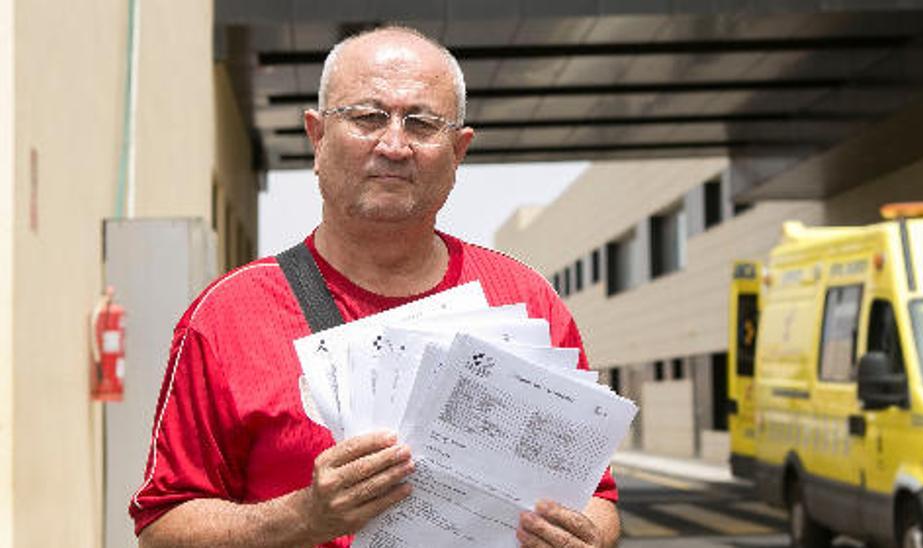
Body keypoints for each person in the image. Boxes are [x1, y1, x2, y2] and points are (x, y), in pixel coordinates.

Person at [131, 26, 620, 548]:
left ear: (459, 150)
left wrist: (585, 538)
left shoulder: (526, 301)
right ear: (316, 136)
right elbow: (162, 528)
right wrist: (305, 516)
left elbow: (597, 496)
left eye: (422, 123)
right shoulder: (226, 315)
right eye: (366, 117)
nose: (393, 144)